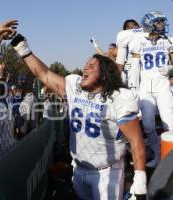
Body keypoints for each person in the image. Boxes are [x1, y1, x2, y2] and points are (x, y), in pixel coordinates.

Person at [10, 33, 146, 199]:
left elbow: (136, 141)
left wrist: (140, 180)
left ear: (104, 74)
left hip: (106, 172)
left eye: (91, 65)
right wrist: (23, 49)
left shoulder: (118, 98)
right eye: (85, 65)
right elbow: (44, 74)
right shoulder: (76, 88)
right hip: (79, 169)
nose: (84, 68)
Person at [130, 11, 173, 168]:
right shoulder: (138, 42)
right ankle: (158, 156)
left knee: (170, 123)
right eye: (159, 22)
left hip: (162, 85)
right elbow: (134, 68)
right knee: (148, 126)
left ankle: (170, 160)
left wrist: (171, 69)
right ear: (150, 24)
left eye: (162, 22)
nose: (162, 25)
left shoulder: (168, 41)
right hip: (145, 87)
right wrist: (133, 88)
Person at [116, 19, 147, 89]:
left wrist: (120, 70)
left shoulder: (124, 34)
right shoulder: (147, 30)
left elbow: (120, 58)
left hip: (133, 63)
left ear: (125, 29)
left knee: (134, 91)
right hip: (148, 64)